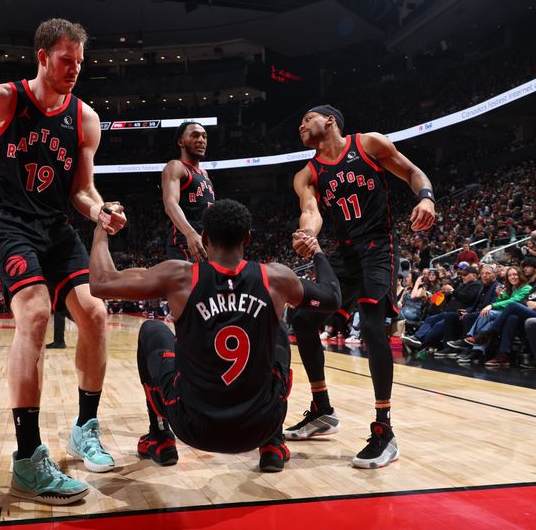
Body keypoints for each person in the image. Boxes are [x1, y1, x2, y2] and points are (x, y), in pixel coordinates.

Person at [0, 18, 126, 505]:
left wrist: (100, 210)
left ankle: (84, 427)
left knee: (95, 312)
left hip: (55, 226)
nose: (74, 69)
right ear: (42, 56)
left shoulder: (85, 119)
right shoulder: (2, 99)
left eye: (80, 61)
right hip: (7, 221)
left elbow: (81, 190)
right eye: (65, 59)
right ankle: (28, 460)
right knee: (33, 312)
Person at [88, 199, 341, 472]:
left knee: (152, 329)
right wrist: (317, 252)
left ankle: (160, 436)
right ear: (247, 237)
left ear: (205, 237)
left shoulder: (180, 277)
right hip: (260, 424)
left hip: (194, 427)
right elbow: (332, 297)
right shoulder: (276, 278)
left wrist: (103, 227)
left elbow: (101, 283)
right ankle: (273, 442)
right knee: (278, 327)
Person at [289, 105, 435, 468]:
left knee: (371, 325)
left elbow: (411, 172)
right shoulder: (307, 174)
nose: (301, 124)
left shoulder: (368, 144)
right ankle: (322, 410)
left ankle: (384, 430)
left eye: (308, 118)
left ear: (330, 120)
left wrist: (427, 197)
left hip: (378, 247)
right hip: (343, 255)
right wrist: (308, 233)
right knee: (304, 320)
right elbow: (311, 210)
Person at [161, 122, 215, 261]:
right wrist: (190, 233)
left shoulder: (205, 174)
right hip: (186, 242)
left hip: (207, 243)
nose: (201, 140)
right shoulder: (176, 166)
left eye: (204, 136)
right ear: (181, 142)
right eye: (195, 135)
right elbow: (170, 203)